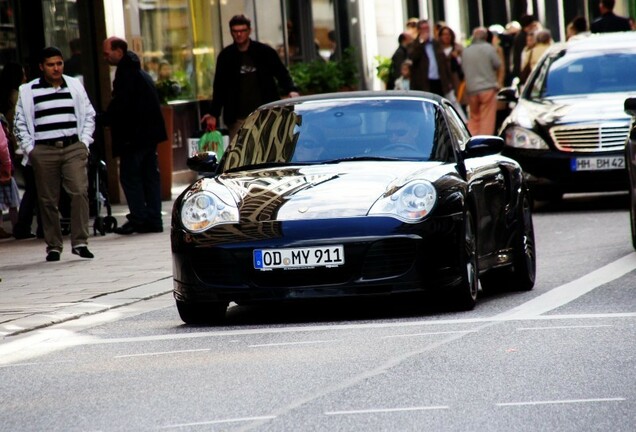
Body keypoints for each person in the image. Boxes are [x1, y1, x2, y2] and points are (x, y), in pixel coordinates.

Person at [14, 46, 96, 261]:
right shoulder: (28, 90)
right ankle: (53, 245)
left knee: (79, 191)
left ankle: (80, 242)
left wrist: (84, 142)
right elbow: (20, 122)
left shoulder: (74, 85)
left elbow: (89, 114)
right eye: (51, 64)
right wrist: (31, 150)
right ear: (42, 67)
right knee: (48, 199)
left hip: (73, 147)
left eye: (59, 63)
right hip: (44, 150)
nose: (56, 68)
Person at [102, 37, 167, 235]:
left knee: (131, 177)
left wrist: (104, 118)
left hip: (134, 137)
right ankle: (153, 218)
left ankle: (140, 218)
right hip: (147, 136)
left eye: (107, 53)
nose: (105, 57)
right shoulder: (138, 73)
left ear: (118, 52)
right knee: (149, 176)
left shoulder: (126, 75)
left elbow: (122, 106)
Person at [201, 14, 299, 140]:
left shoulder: (264, 52)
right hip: (237, 118)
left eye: (242, 31)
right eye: (235, 31)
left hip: (267, 113)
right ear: (231, 32)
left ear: (249, 31)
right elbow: (220, 87)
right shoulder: (226, 57)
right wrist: (214, 113)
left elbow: (281, 73)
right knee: (240, 154)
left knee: (268, 150)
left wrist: (291, 89)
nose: (239, 34)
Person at [462, 27, 501, 136]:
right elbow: (497, 64)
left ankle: (471, 138)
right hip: (487, 88)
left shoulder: (466, 50)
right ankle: (485, 142)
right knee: (487, 118)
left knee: (474, 117)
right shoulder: (489, 48)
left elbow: (463, 69)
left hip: (472, 89)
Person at [407, 19, 453, 96]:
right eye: (423, 28)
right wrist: (421, 43)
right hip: (424, 82)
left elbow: (443, 62)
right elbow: (413, 57)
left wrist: (448, 81)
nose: (426, 31)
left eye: (427, 28)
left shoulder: (435, 43)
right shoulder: (414, 44)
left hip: (438, 80)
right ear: (419, 30)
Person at [0, 120, 19, 238]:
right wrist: (7, 165)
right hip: (2, 167)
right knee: (12, 201)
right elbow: (2, 146)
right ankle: (16, 227)